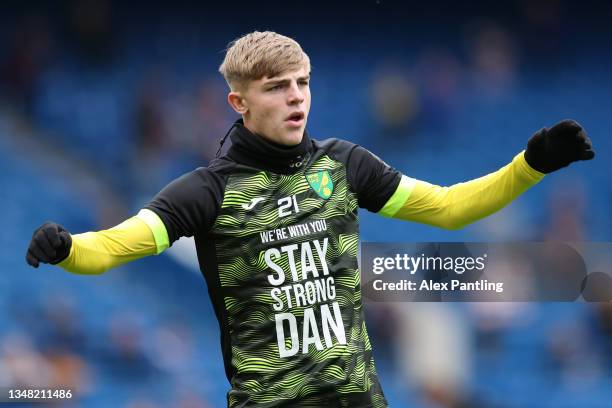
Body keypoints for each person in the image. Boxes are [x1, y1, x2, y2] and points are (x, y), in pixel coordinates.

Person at [25, 31, 595, 408]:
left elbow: (449, 208)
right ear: (239, 103)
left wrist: (531, 165)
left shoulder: (344, 164)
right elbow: (120, 244)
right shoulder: (205, 192)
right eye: (277, 87)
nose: (297, 98)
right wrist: (70, 249)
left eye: (303, 83)